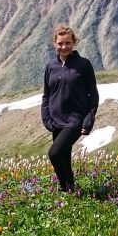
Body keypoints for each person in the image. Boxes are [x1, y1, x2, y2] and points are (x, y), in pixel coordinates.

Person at [40, 24, 99, 193]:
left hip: (74, 120)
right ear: (55, 44)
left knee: (54, 154)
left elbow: (93, 95)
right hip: (56, 121)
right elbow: (46, 96)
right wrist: (46, 118)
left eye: (67, 43)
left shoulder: (84, 65)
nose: (64, 47)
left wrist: (89, 118)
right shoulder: (51, 67)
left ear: (74, 43)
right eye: (60, 43)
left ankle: (66, 191)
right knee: (64, 158)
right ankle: (71, 191)